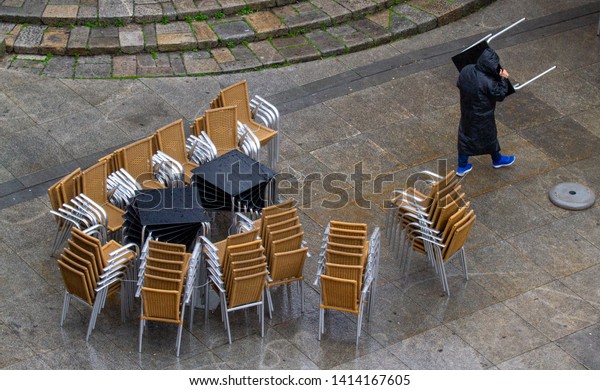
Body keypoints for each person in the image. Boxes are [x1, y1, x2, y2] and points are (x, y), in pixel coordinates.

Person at [456, 47, 515, 176]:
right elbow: (500, 95)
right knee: (489, 137)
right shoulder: (488, 82)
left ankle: (462, 165)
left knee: (465, 137)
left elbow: (459, 83)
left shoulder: (466, 70)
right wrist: (503, 78)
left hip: (467, 111)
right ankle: (497, 159)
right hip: (483, 115)